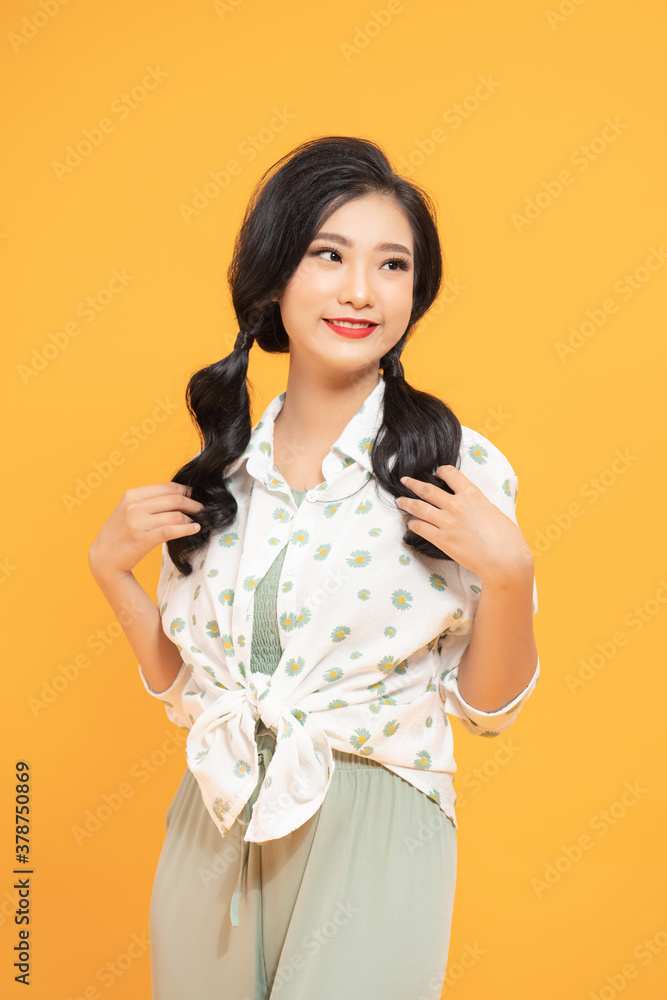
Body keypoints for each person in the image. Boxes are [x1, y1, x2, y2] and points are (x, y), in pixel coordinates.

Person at [88, 135, 540, 1000]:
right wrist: (116, 578)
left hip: (374, 818)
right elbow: (195, 696)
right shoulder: (218, 481)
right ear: (273, 280)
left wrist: (511, 578)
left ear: (416, 292)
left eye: (392, 265)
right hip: (211, 818)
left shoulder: (452, 469)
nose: (360, 291)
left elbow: (486, 714)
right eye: (327, 254)